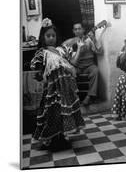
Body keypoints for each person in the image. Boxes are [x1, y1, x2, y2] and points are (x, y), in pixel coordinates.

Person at [30, 18, 85, 151]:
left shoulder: (62, 50)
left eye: (53, 36)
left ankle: (62, 138)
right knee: (51, 112)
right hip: (51, 89)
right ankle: (50, 140)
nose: (51, 38)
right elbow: (36, 68)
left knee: (62, 113)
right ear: (43, 37)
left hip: (65, 88)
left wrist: (80, 49)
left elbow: (73, 63)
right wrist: (38, 74)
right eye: (48, 36)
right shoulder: (42, 53)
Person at [62, 22, 107, 106]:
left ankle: (89, 96)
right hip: (77, 67)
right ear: (73, 31)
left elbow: (100, 52)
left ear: (83, 30)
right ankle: (72, 98)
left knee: (95, 71)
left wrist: (94, 39)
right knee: (67, 73)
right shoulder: (70, 42)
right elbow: (72, 61)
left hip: (89, 65)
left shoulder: (89, 40)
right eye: (75, 29)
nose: (78, 31)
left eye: (79, 28)